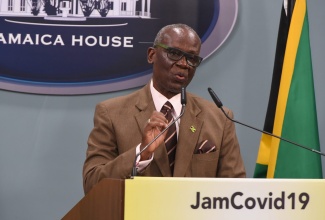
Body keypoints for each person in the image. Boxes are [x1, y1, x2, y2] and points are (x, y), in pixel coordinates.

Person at [83, 23, 246, 194]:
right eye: (174, 54)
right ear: (152, 55)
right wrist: (141, 153)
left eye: (192, 58)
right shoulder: (111, 113)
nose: (184, 64)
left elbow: (235, 192)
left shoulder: (220, 118)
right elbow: (92, 183)